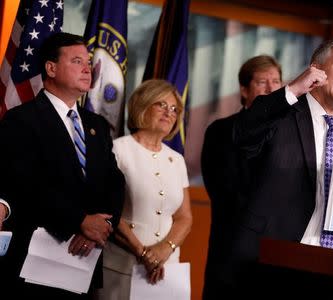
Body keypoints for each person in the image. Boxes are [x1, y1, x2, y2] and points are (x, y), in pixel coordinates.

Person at [230, 37, 333, 296]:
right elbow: (243, 133)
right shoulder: (281, 116)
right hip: (270, 266)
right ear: (316, 70)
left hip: (327, 271)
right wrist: (292, 90)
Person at [0, 32, 125, 299]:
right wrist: (79, 221)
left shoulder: (97, 125)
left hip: (85, 262)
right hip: (34, 265)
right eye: (77, 61)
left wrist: (100, 228)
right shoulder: (21, 119)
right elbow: (25, 185)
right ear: (51, 68)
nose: (87, 69)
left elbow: (114, 182)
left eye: (88, 62)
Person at [94, 79, 192, 299]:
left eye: (174, 109)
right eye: (162, 105)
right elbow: (108, 210)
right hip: (121, 268)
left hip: (166, 269)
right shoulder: (117, 150)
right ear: (142, 106)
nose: (169, 112)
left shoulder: (176, 160)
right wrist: (144, 253)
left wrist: (165, 249)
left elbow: (184, 218)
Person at [201, 55, 282, 299]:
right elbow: (222, 189)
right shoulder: (221, 131)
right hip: (232, 247)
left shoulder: (289, 133)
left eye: (276, 81)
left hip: (276, 252)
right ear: (244, 90)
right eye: (262, 82)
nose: (270, 88)